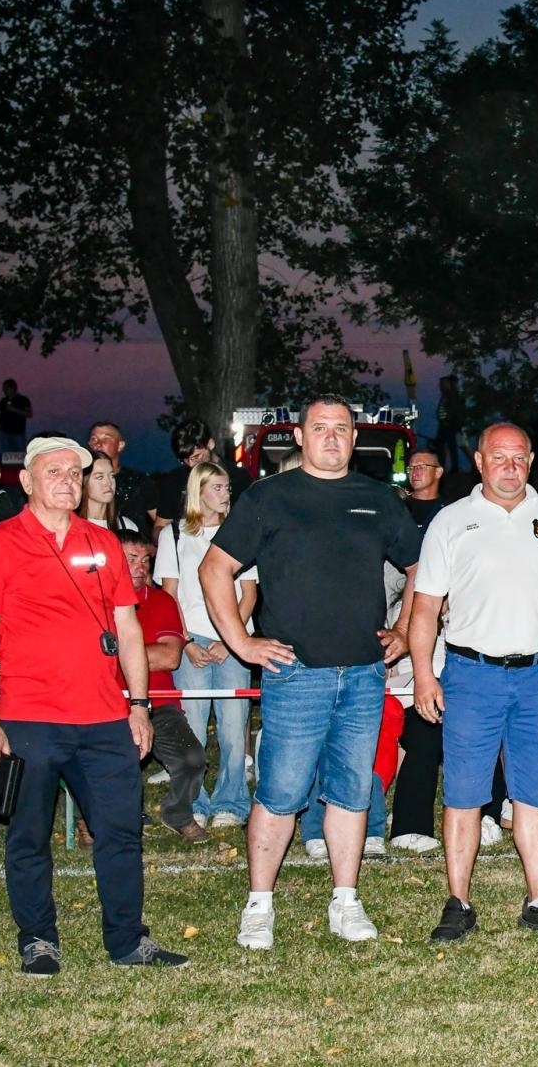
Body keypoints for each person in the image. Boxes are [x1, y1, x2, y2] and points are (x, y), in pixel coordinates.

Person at [199, 395, 420, 950]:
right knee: (280, 792)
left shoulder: (378, 498)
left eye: (341, 428)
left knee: (351, 789)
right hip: (296, 673)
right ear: (299, 437)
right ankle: (259, 905)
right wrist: (242, 642)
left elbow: (422, 567)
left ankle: (345, 901)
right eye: (319, 428)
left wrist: (405, 628)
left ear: (354, 437)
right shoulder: (268, 498)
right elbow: (214, 569)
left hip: (366, 673)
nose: (330, 437)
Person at [0, 436, 188, 975]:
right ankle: (38, 938)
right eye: (55, 471)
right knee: (27, 835)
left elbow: (129, 630)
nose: (68, 480)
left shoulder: (103, 543)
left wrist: (138, 705)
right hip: (28, 718)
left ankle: (128, 939)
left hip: (106, 717)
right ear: (27, 481)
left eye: (75, 472)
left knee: (119, 831)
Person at [408, 423, 538, 938]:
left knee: (536, 793)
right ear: (479, 461)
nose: (510, 466)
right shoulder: (451, 522)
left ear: (532, 459)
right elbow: (425, 607)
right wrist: (425, 675)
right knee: (465, 794)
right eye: (499, 457)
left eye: (519, 457)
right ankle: (458, 902)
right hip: (472, 676)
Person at [154, 462, 257, 830]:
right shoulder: (176, 536)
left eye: (227, 487)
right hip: (192, 640)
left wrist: (235, 639)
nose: (225, 494)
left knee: (233, 726)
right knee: (193, 727)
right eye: (217, 487)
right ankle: (194, 801)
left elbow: (249, 593)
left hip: (233, 641)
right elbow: (170, 597)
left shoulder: (241, 532)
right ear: (198, 490)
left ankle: (232, 801)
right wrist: (182, 644)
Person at [114, 529, 209, 843]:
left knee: (194, 760)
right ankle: (94, 819)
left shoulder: (161, 600)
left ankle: (178, 813)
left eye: (145, 560)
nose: (141, 567)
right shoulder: (93, 600)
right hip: (108, 702)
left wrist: (119, 652)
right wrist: (141, 652)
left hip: (159, 702)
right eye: (131, 559)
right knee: (110, 762)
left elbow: (170, 657)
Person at [388, 449, 451, 852]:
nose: (414, 473)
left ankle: (490, 811)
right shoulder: (396, 511)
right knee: (402, 718)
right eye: (410, 467)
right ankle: (396, 813)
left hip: (452, 622)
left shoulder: (453, 515)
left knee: (456, 722)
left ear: (439, 472)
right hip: (405, 618)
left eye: (422, 466)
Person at [150, 418, 252, 535]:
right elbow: (159, 527)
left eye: (196, 456)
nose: (191, 464)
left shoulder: (239, 478)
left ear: (210, 444)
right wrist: (174, 536)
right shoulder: (174, 481)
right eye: (184, 460)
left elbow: (253, 523)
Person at [87, 421, 155, 539]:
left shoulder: (139, 481)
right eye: (94, 439)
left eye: (106, 439)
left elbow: (160, 521)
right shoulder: (79, 481)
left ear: (120, 445)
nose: (98, 444)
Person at [78, 454, 139, 533]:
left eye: (112, 476)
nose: (109, 483)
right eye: (100, 477)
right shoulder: (69, 526)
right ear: (84, 481)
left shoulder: (126, 526)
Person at [434, 375, 467, 474]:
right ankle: (446, 467)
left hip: (449, 425)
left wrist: (448, 420)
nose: (441, 386)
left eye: (443, 383)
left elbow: (453, 410)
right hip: (444, 425)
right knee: (444, 446)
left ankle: (453, 468)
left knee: (450, 446)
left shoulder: (452, 395)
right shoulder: (445, 395)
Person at [0, 379, 32, 456]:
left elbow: (29, 414)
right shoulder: (3, 401)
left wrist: (14, 409)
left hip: (18, 434)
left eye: (5, 388)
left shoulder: (23, 400)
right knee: (6, 457)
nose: (3, 390)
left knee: (20, 457)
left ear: (11, 388)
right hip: (5, 433)